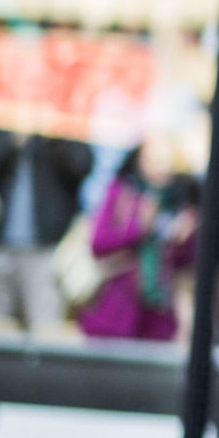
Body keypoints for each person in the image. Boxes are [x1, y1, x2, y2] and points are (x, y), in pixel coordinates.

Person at [77, 142, 200, 342]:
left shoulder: (178, 202)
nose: (162, 167)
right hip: (116, 311)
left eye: (167, 161)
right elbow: (98, 243)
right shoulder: (122, 193)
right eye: (155, 160)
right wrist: (138, 227)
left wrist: (185, 239)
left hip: (157, 316)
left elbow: (183, 265)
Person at [0, 128, 93, 333]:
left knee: (46, 329)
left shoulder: (62, 121)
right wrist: (12, 138)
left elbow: (81, 165)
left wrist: (50, 130)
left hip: (46, 248)